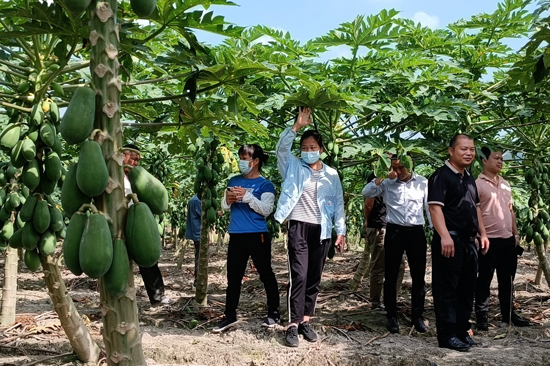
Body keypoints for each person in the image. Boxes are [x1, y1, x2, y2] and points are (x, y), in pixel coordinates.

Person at [274, 107, 346, 347]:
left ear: (321, 150)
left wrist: (341, 230)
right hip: (299, 227)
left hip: (322, 230)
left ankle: (306, 320)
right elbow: (281, 149)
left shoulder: (332, 175)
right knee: (299, 276)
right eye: (304, 148)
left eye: (313, 148)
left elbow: (337, 203)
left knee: (314, 277)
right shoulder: (292, 167)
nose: (308, 152)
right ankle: (292, 324)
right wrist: (296, 127)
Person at [428, 134, 490, 351]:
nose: (469, 153)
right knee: (447, 289)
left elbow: (476, 208)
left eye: (472, 149)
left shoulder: (469, 178)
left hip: (469, 241)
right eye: (463, 149)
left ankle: (462, 331)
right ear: (451, 151)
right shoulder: (441, 176)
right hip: (450, 239)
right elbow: (435, 209)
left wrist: (482, 233)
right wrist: (445, 235)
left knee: (466, 288)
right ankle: (446, 336)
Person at [213, 144, 280, 333]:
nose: (242, 161)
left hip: (257, 234)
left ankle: (274, 312)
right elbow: (224, 207)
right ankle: (230, 315)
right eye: (240, 157)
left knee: (265, 273)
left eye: (245, 158)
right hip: (236, 234)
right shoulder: (234, 180)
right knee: (233, 277)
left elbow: (267, 210)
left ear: (255, 161)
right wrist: (228, 199)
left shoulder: (265, 185)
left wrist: (248, 196)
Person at [362, 154, 430, 334]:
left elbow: (429, 208)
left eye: (401, 168)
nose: (398, 172)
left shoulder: (422, 182)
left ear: (411, 164)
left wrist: (434, 228)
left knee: (418, 276)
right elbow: (366, 193)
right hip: (394, 231)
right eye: (394, 168)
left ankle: (417, 316)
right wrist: (381, 178)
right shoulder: (386, 183)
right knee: (390, 276)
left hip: (416, 231)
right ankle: (391, 315)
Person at [474, 147, 530, 329]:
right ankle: (482, 317)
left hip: (507, 240)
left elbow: (510, 210)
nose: (500, 162)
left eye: (501, 159)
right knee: (484, 280)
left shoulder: (505, 183)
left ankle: (509, 315)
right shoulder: (477, 184)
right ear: (484, 160)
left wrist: (515, 234)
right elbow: (476, 213)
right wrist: (479, 235)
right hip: (488, 240)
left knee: (508, 280)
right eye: (496, 158)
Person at [123, 144, 173, 308]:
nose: (136, 163)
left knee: (149, 262)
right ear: (123, 155)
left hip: (136, 221)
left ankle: (157, 297)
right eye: (133, 158)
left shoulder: (137, 177)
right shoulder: (111, 175)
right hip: (118, 225)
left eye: (138, 160)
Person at [356, 185, 405, 312]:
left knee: (398, 265)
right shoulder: (377, 178)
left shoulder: (395, 178)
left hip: (391, 226)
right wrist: (370, 221)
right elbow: (368, 204)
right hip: (380, 227)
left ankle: (389, 300)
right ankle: (376, 303)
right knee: (379, 265)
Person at [185, 195, 201, 287]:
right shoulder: (197, 201)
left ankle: (198, 282)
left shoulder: (193, 199)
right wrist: (216, 213)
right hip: (199, 233)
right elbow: (204, 215)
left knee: (198, 256)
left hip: (196, 232)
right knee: (200, 258)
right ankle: (197, 283)